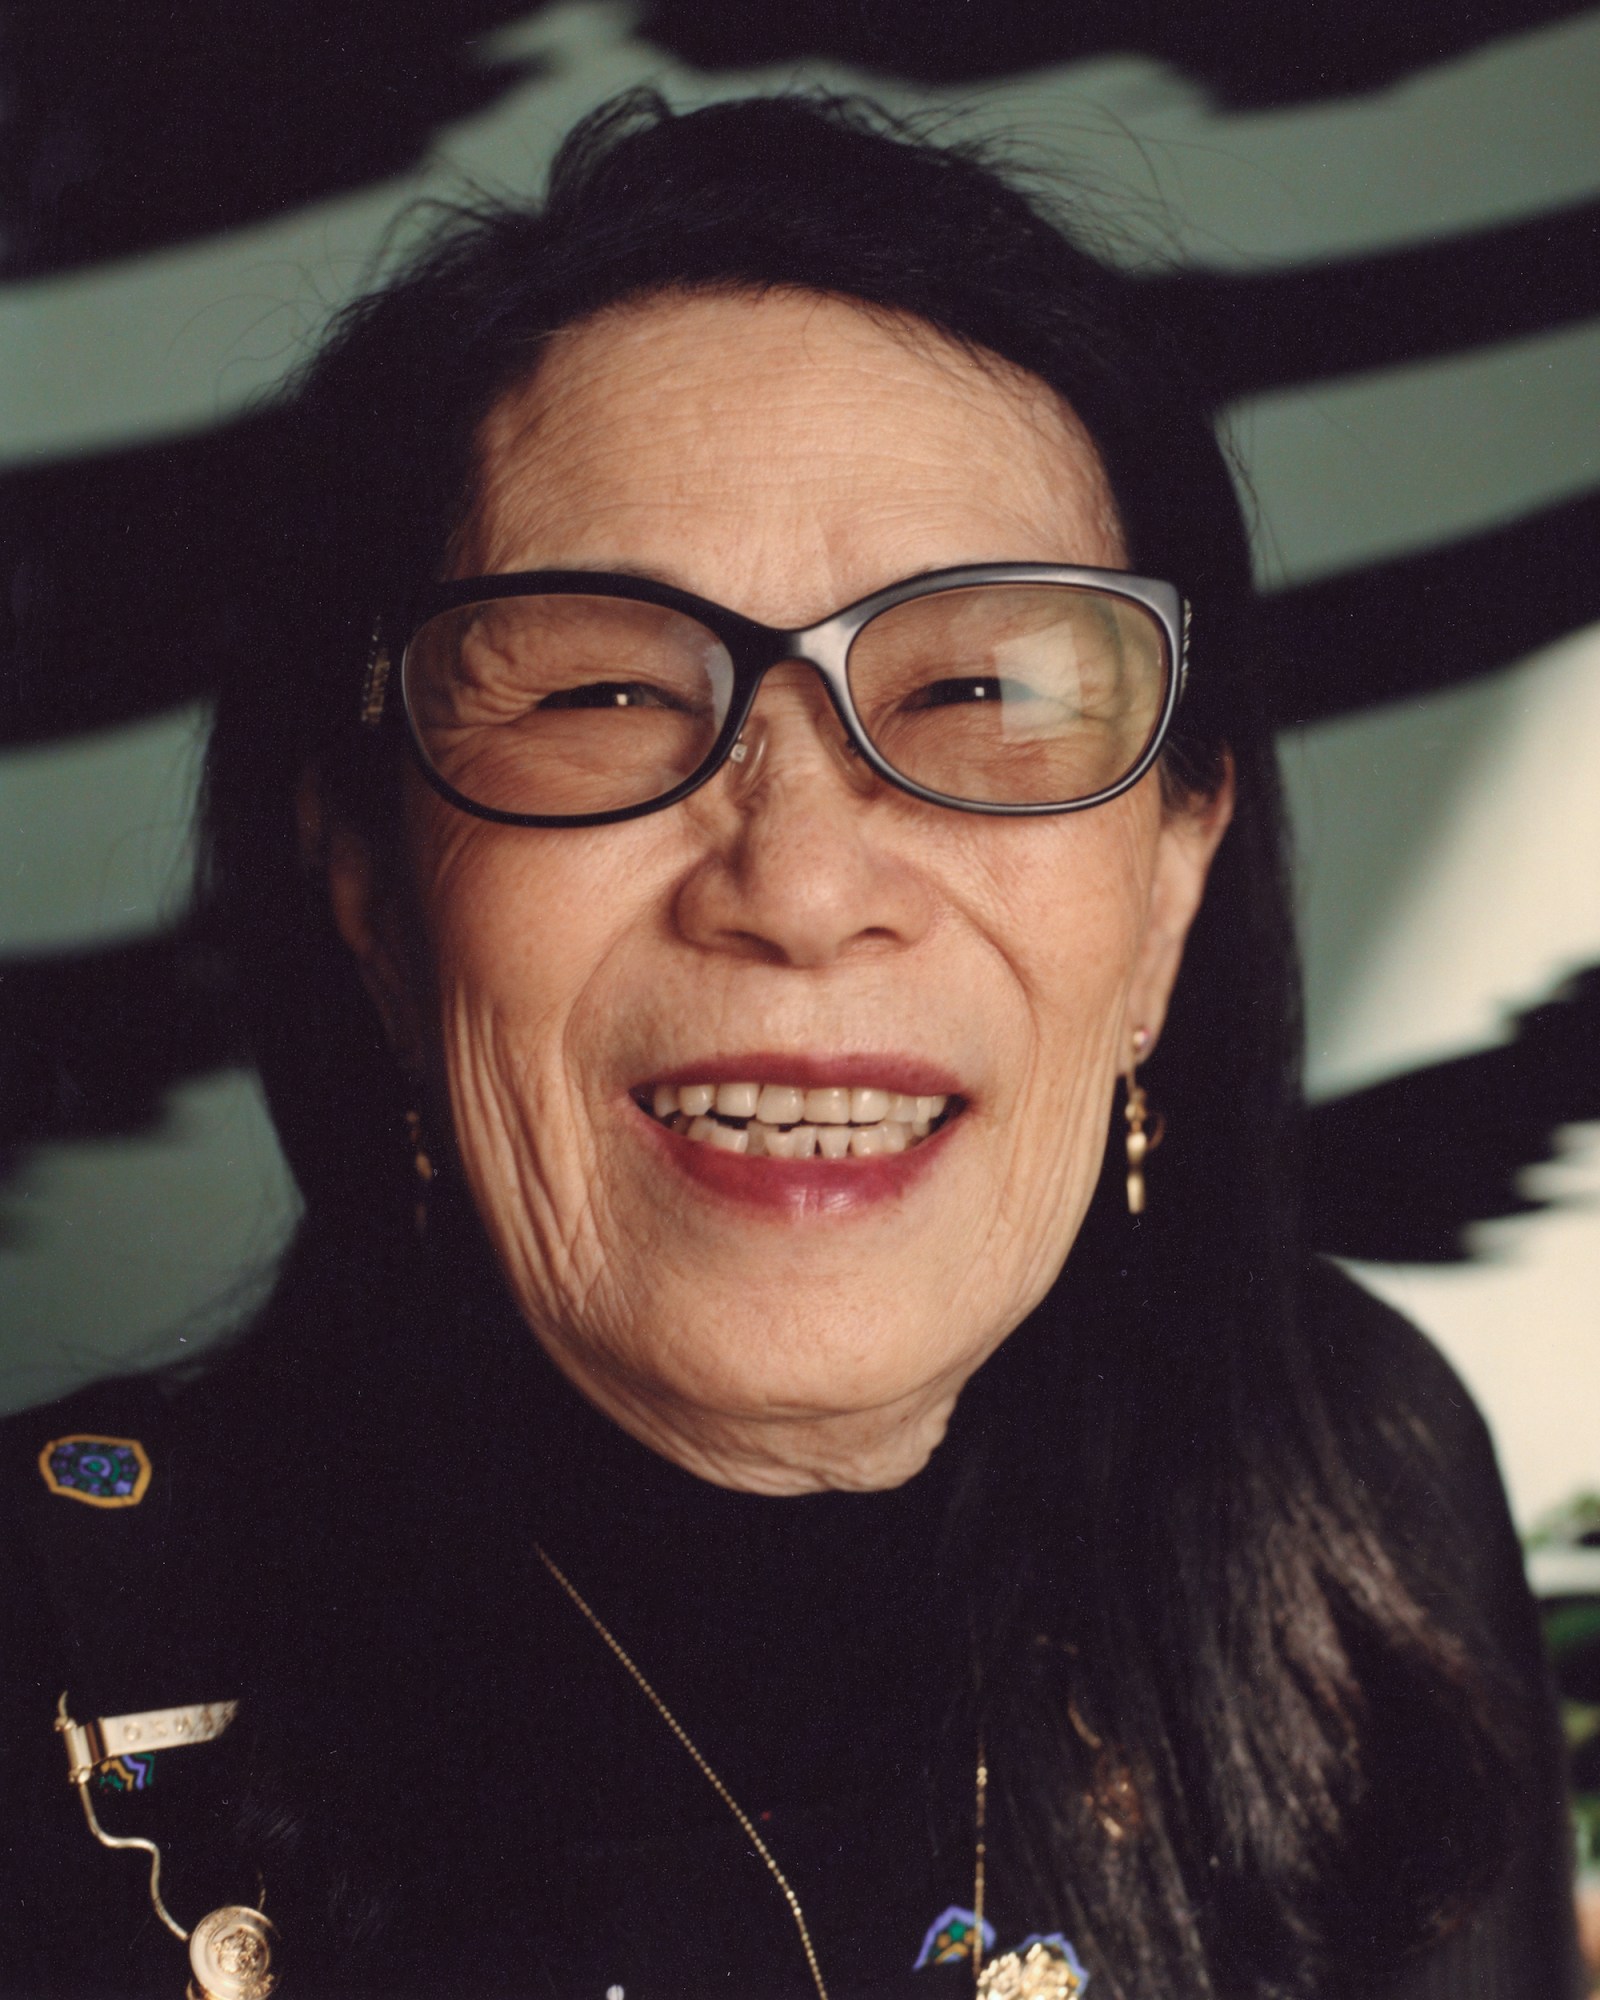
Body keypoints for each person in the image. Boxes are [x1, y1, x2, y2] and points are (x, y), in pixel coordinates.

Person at [0, 92, 1581, 2000]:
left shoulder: (1356, 1485)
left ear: (1173, 887)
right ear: (367, 891)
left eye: (983, 690)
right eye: (596, 691)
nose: (807, 882)